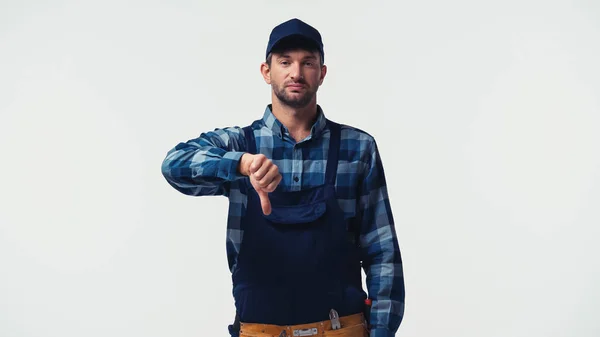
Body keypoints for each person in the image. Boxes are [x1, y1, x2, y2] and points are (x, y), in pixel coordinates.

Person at [161, 18, 405, 337]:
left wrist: (382, 332)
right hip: (260, 331)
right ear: (266, 71)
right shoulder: (240, 144)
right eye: (285, 62)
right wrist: (241, 165)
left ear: (322, 72)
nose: (296, 73)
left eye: (307, 63)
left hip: (341, 330)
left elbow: (382, 251)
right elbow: (174, 165)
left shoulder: (357, 148)